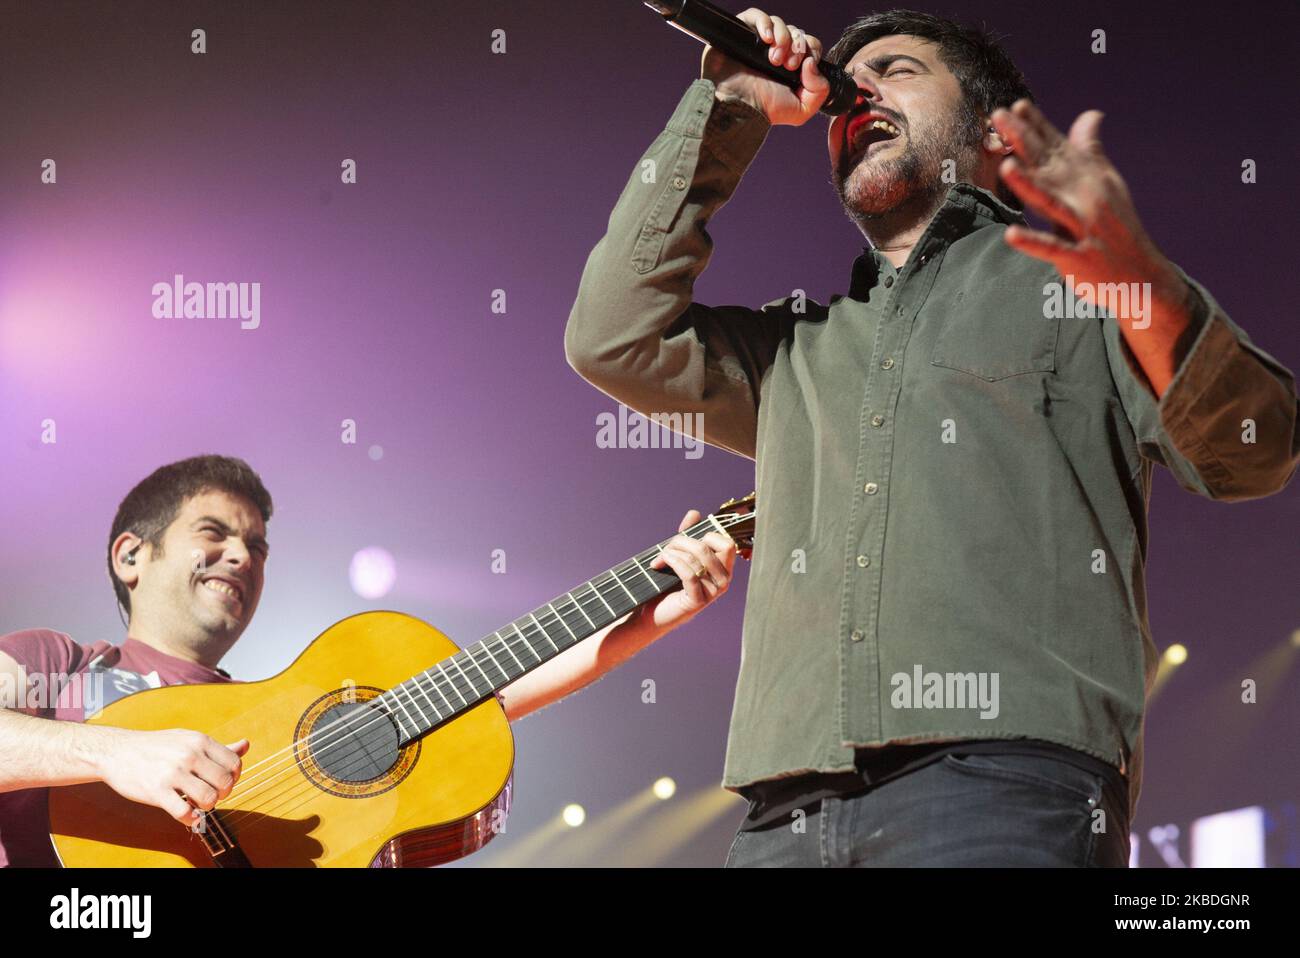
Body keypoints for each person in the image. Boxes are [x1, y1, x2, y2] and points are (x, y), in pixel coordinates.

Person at [563, 7, 1299, 866]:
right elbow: (613, 338)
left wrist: (1140, 278)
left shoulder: (1085, 290)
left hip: (1006, 786)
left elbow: (1255, 450)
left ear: (991, 130)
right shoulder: (799, 347)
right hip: (783, 810)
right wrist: (731, 106)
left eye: (898, 69)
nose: (857, 89)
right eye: (847, 83)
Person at [0, 454, 737, 866]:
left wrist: (653, 615)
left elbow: (489, 695)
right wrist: (115, 754)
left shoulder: (282, 712)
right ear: (132, 554)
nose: (241, 556)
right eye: (215, 532)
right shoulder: (55, 664)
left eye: (257, 547)